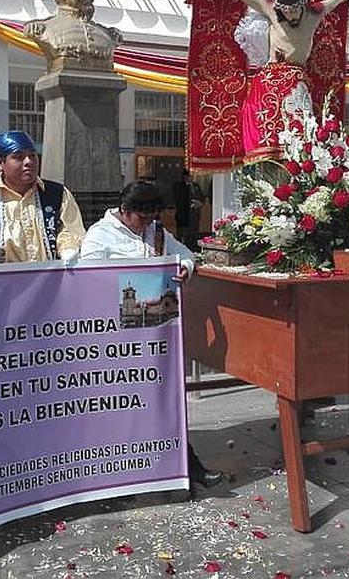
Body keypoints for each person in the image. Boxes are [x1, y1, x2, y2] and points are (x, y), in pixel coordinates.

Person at [78, 180, 221, 490]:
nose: (148, 223)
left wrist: (184, 266)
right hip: (117, 338)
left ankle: (186, 466)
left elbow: (186, 254)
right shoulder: (100, 234)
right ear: (125, 210)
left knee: (164, 401)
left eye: (153, 216)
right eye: (142, 217)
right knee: (120, 407)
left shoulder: (156, 232)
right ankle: (117, 476)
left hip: (156, 333)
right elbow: (88, 277)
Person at [183, 0, 349, 155]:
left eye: (294, 11)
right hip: (269, 79)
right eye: (286, 12)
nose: (291, 16)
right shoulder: (270, 9)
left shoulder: (314, 14)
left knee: (301, 138)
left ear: (303, 4)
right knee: (261, 137)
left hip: (296, 80)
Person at [0, 131, 86, 263]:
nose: (28, 162)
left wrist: (68, 249)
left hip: (52, 279)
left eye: (32, 155)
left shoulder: (58, 194)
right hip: (2, 282)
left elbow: (72, 231)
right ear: (0, 163)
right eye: (18, 157)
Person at [173, 169, 205, 248]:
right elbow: (178, 198)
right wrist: (190, 204)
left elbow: (202, 197)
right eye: (190, 176)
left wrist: (200, 203)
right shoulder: (179, 186)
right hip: (183, 214)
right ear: (185, 176)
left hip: (194, 215)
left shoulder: (196, 186)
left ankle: (193, 247)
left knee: (194, 233)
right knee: (183, 234)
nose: (191, 177)